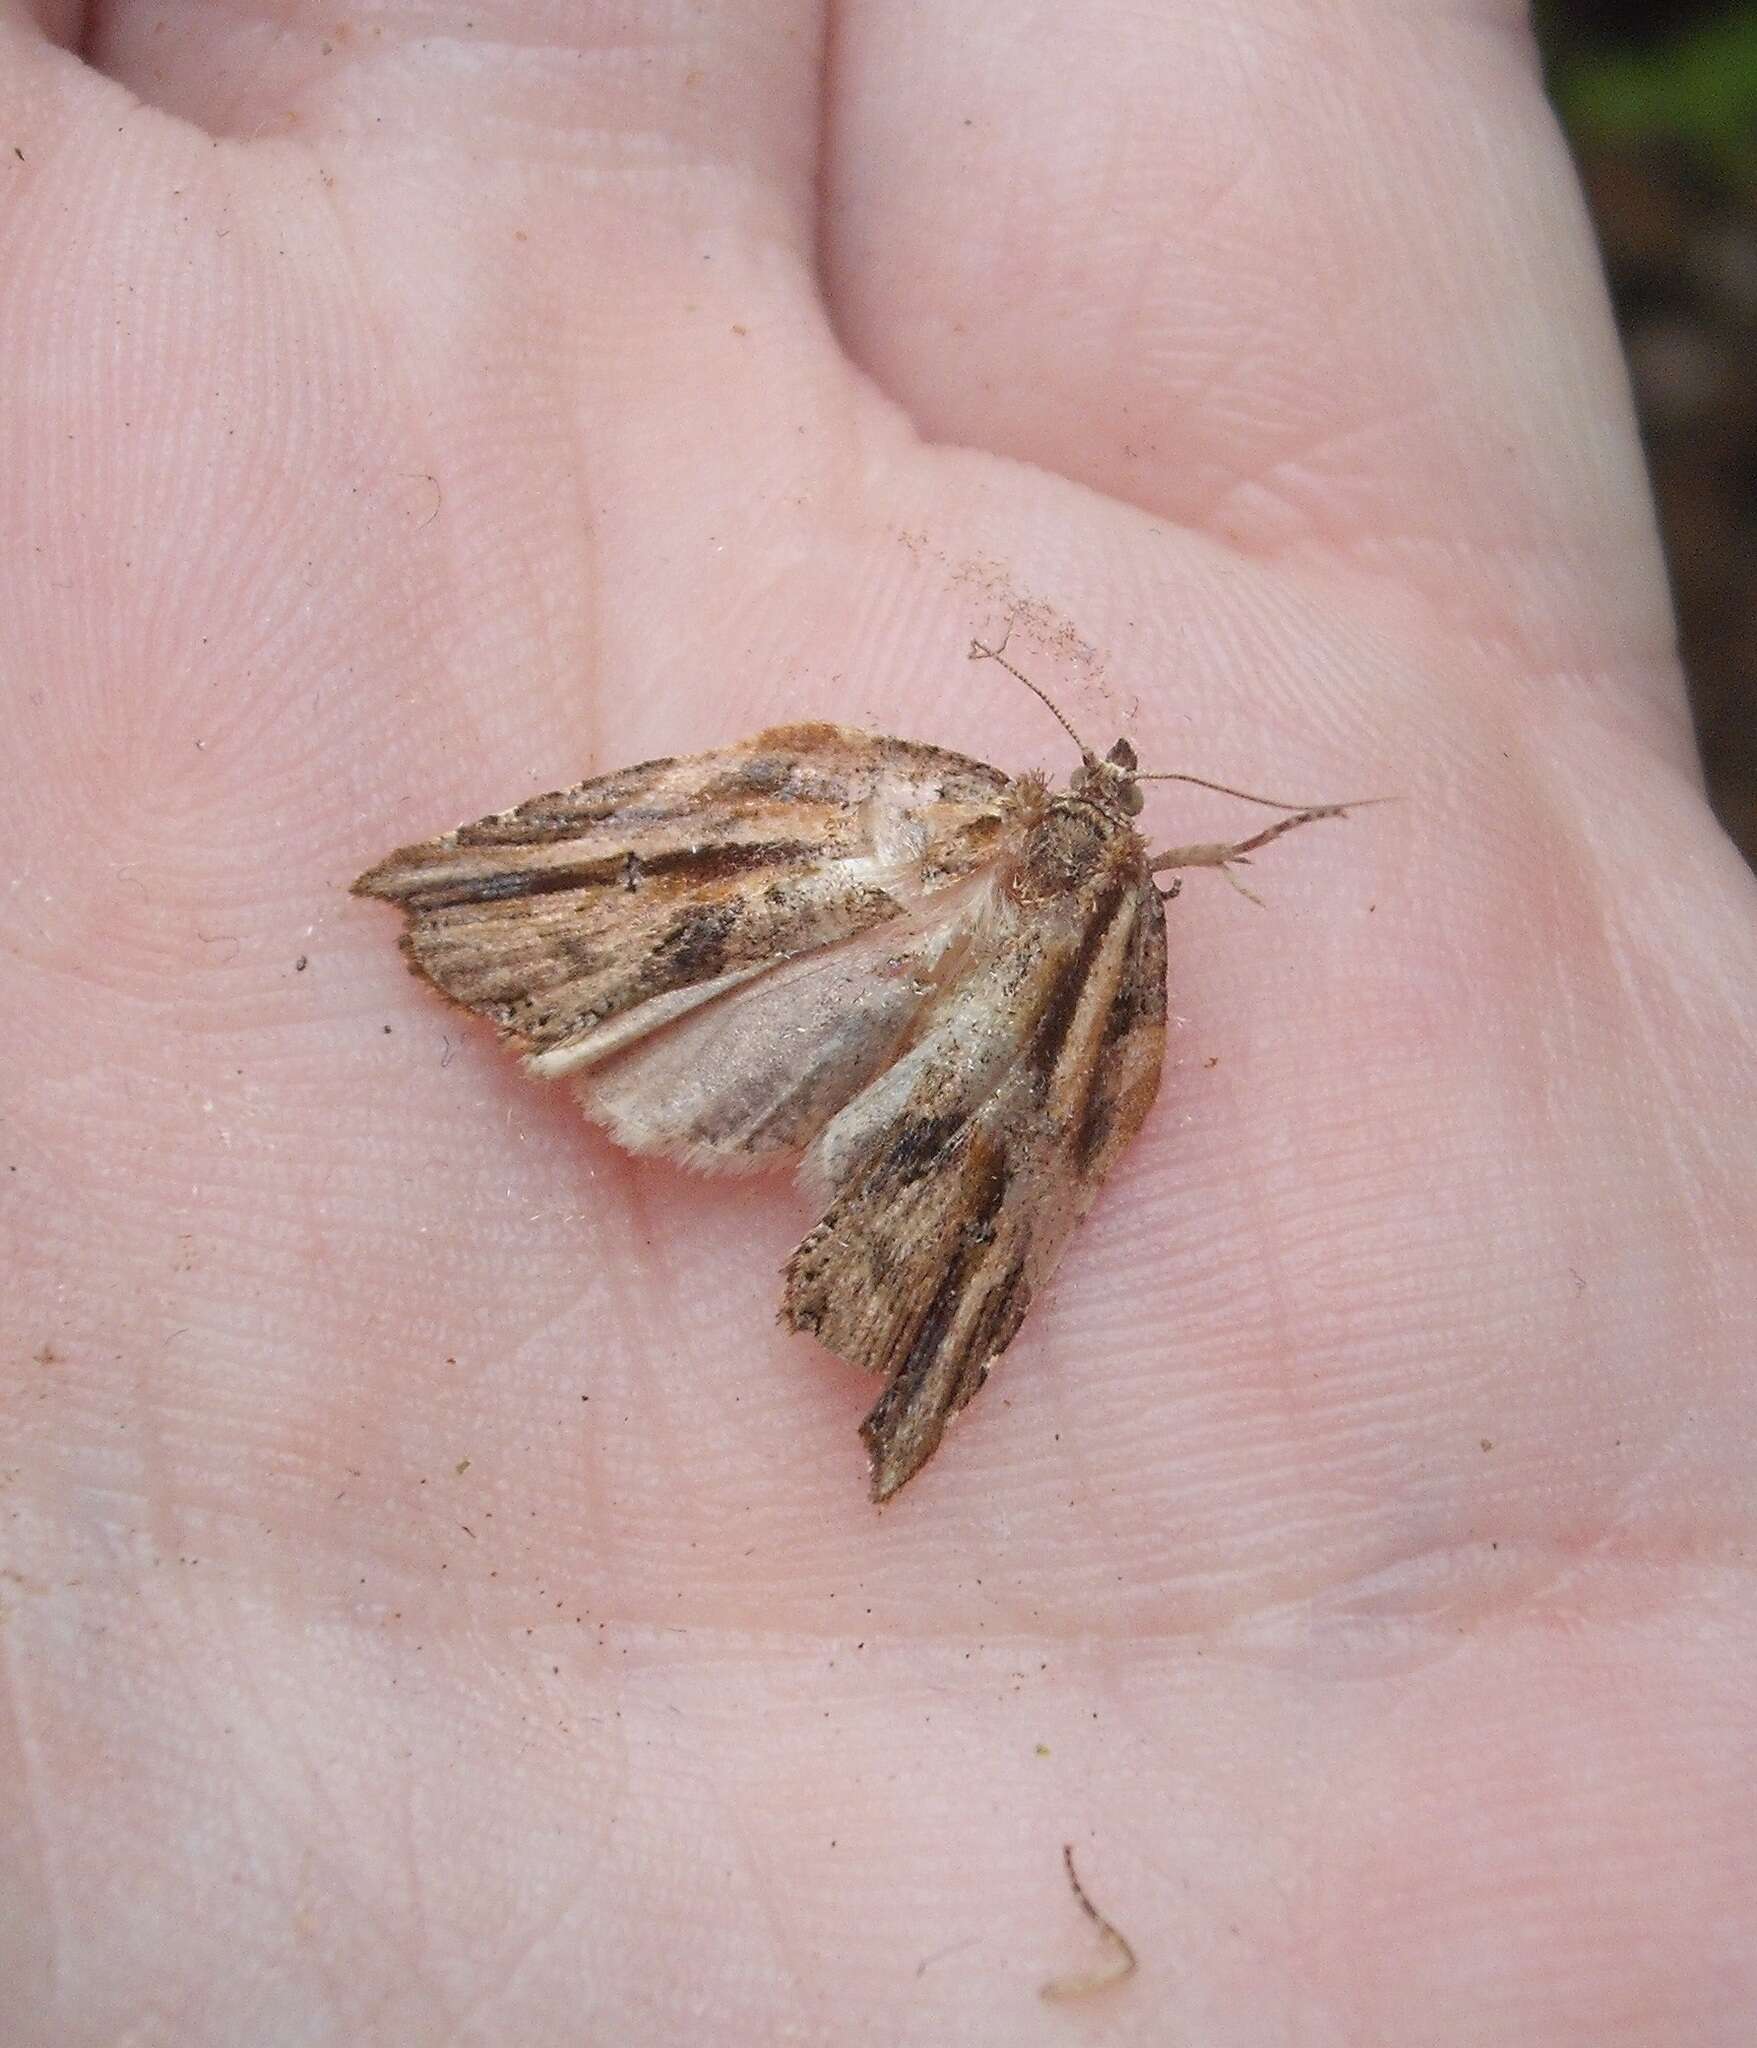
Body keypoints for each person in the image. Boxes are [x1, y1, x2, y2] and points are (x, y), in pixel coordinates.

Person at [3, 4, 1751, 2041]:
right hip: (908, 977)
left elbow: (992, 1034)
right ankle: (578, 1018)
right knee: (746, 942)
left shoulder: (989, 848)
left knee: (785, 941)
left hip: (913, 965)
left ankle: (863, 1307)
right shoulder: (1032, 880)